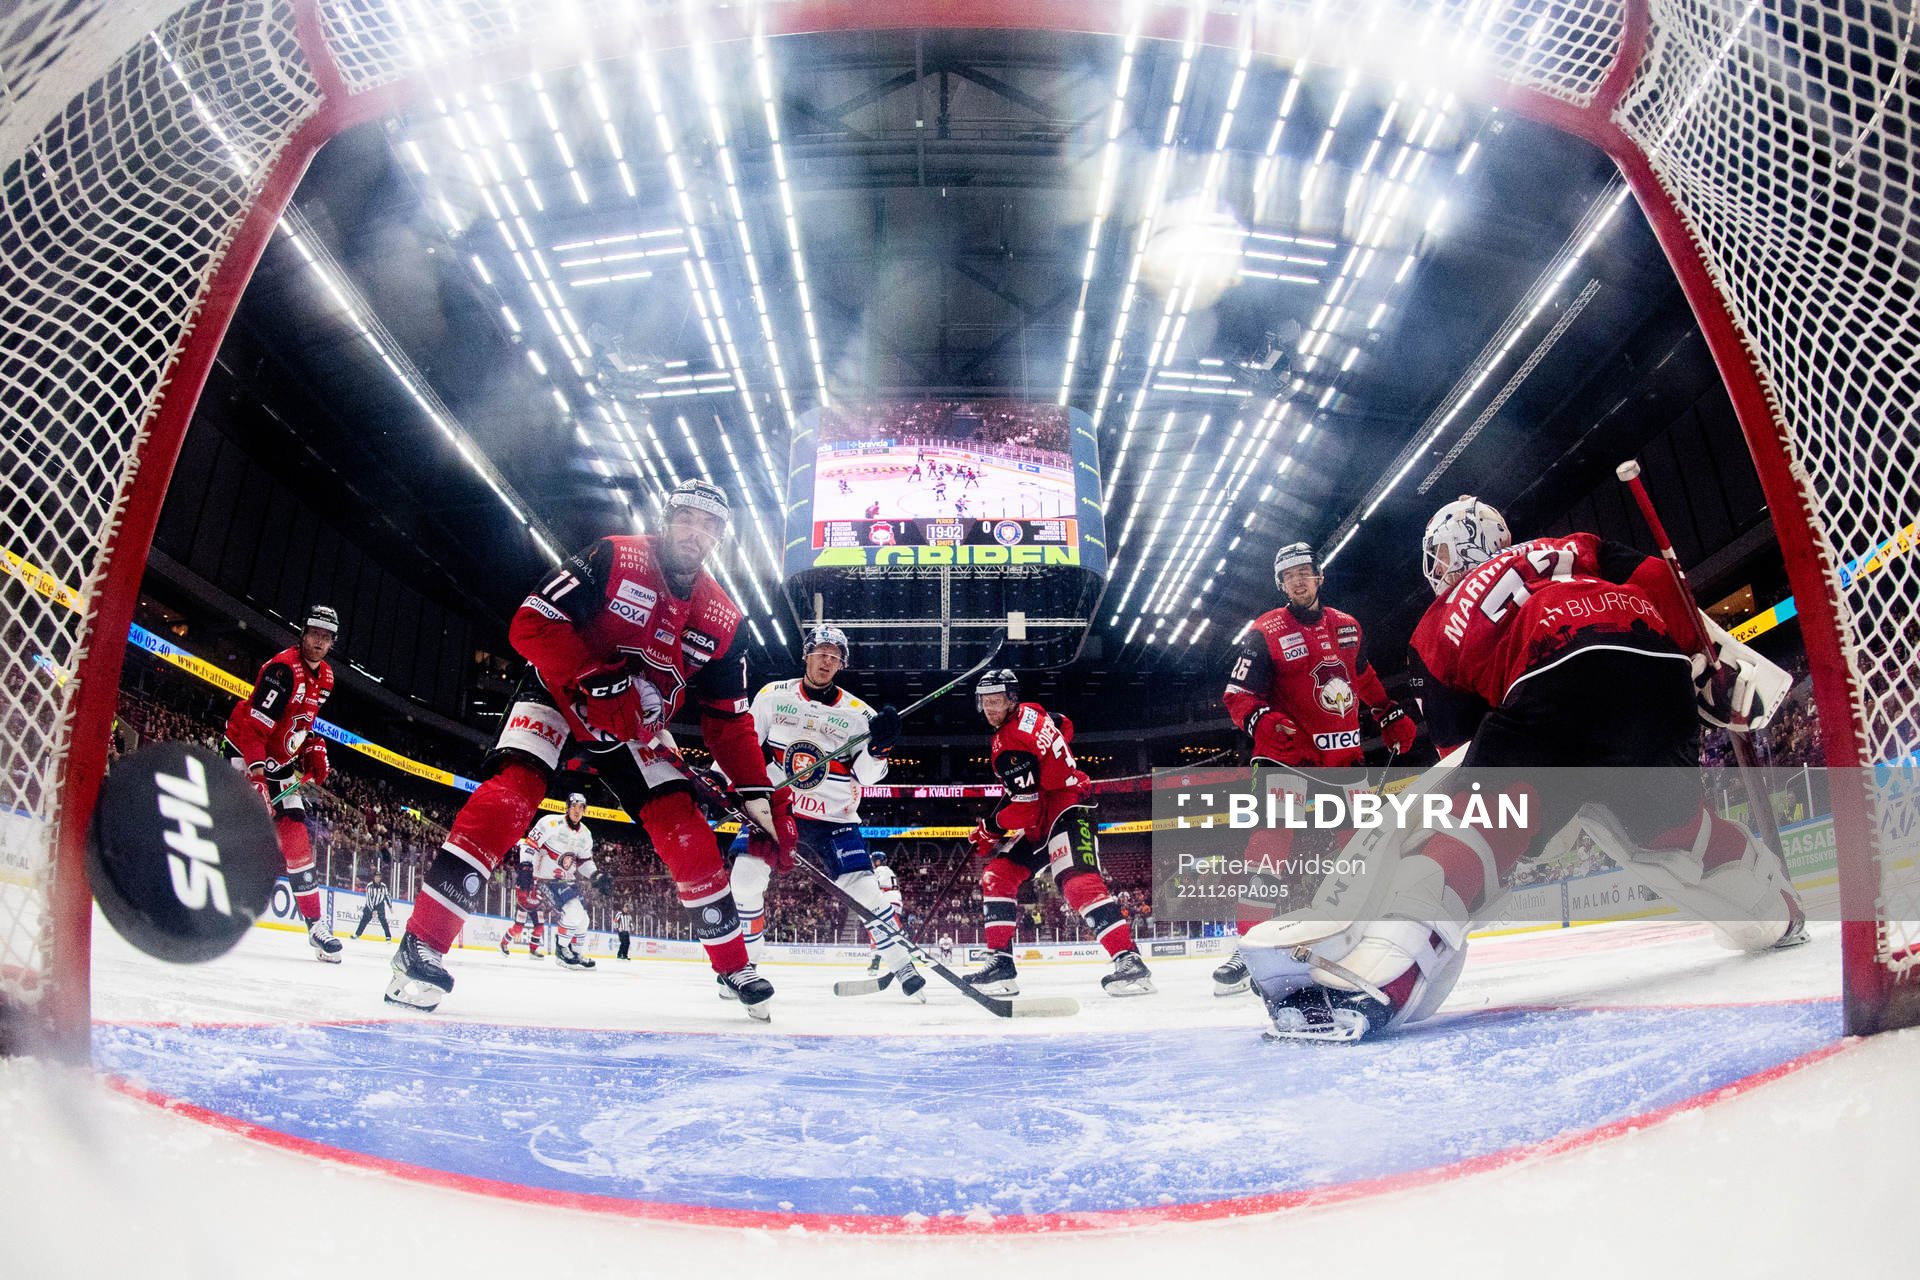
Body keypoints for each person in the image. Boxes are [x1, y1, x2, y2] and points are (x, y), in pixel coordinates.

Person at [1241, 496, 1804, 1042]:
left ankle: (1385, 972)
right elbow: (1658, 575)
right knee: (1673, 832)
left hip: (1550, 677)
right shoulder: (1575, 545)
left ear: (1456, 552)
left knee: (1475, 822)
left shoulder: (1437, 622)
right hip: (1654, 666)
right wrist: (1695, 653)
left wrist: (1521, 819)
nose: (1433, 569)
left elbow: (1459, 759)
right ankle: (1776, 909)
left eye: (1437, 556)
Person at [384, 479, 796, 1018]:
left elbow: (729, 723)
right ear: (667, 518)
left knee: (685, 827)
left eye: (710, 525)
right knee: (511, 797)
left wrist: (763, 800)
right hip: (559, 690)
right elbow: (530, 622)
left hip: (632, 726)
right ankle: (421, 946)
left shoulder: (722, 619)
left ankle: (734, 966)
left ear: (719, 537)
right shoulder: (613, 555)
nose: (696, 532)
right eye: (687, 518)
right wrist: (594, 677)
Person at [1210, 543, 1417, 995]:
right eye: (1290, 576)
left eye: (1306, 572)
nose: (1299, 581)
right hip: (1286, 758)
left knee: (1360, 847)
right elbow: (1236, 695)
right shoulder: (1263, 632)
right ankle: (1247, 945)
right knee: (1270, 844)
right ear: (1280, 584)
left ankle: (1370, 932)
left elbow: (1360, 675)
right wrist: (1262, 719)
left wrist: (1388, 711)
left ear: (1319, 577)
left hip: (1343, 758)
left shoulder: (1348, 626)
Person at [725, 625, 923, 1000]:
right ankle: (746, 966)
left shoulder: (859, 714)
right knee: (745, 880)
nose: (827, 661)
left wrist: (879, 748)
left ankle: (901, 962)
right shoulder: (773, 696)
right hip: (778, 809)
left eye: (835, 656)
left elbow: (868, 777)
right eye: (821, 653)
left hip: (834, 817)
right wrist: (724, 780)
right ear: (806, 655)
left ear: (841, 664)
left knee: (865, 891)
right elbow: (744, 743)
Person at [963, 669, 1155, 997]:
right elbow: (1065, 725)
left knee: (1077, 882)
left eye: (996, 701)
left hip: (1067, 808)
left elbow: (1023, 808)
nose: (990, 709)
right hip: (1045, 811)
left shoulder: (1008, 746)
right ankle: (1001, 964)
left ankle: (1129, 962)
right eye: (985, 702)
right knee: (997, 874)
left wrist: (991, 829)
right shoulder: (1033, 711)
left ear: (1010, 699)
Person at [222, 605, 344, 963]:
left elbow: (301, 725)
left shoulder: (327, 679)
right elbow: (253, 729)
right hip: (246, 753)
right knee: (234, 829)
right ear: (303, 634)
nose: (319, 642)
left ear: (332, 643)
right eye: (315, 634)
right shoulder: (281, 671)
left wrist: (314, 747)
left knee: (295, 831)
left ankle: (316, 926)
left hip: (280, 764)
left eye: (326, 637)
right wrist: (257, 777)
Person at [515, 792, 608, 970]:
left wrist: (596, 875)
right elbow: (529, 844)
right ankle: (561, 950)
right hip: (544, 879)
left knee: (583, 920)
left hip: (566, 881)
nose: (577, 810)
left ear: (584, 810)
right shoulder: (550, 822)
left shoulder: (586, 834)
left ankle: (576, 952)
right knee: (573, 912)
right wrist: (526, 866)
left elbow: (585, 862)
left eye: (581, 807)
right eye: (573, 806)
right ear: (567, 807)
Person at [865, 853, 906, 975]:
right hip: (895, 901)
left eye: (873, 861)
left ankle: (875, 961)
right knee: (890, 931)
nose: (872, 863)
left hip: (887, 901)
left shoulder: (880, 870)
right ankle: (901, 947)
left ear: (878, 861)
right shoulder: (888, 870)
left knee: (875, 930)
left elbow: (874, 886)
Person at [353, 871, 392, 941]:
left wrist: (390, 906)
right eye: (376, 877)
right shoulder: (369, 886)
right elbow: (368, 899)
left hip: (380, 905)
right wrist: (373, 910)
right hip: (370, 905)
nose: (378, 878)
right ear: (374, 877)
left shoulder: (383, 886)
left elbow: (387, 896)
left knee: (383, 920)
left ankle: (388, 937)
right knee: (364, 920)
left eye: (379, 877)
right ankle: (357, 934)